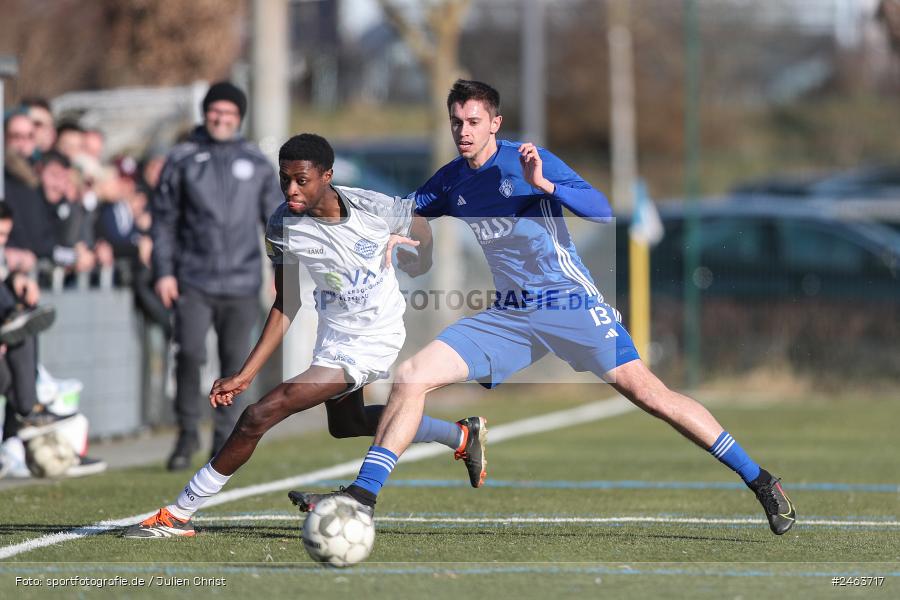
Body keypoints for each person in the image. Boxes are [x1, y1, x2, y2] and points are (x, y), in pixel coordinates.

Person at [290, 79, 797, 536]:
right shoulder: (452, 180)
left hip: (569, 303)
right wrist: (339, 204)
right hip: (511, 315)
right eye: (456, 123)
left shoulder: (528, 160)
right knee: (412, 375)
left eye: (473, 122)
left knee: (651, 395)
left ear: (495, 123)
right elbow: (404, 210)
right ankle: (363, 496)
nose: (463, 132)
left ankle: (761, 480)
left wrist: (546, 186)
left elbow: (600, 209)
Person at [123, 134, 486, 537]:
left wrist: (420, 260)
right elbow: (287, 303)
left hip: (375, 336)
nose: (291, 190)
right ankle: (460, 434)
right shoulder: (282, 224)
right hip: (334, 334)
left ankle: (178, 513)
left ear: (327, 176)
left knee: (258, 414)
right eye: (284, 179)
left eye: (301, 180)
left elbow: (418, 221)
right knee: (346, 424)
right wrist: (245, 373)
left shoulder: (373, 207)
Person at [151, 82, 284, 470]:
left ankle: (222, 439)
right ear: (205, 113)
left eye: (229, 114)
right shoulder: (182, 159)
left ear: (239, 118)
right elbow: (164, 222)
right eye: (215, 112)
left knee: (234, 365)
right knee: (189, 354)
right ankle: (186, 433)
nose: (221, 120)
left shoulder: (256, 163)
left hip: (242, 283)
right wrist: (163, 271)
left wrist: (283, 271)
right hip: (193, 279)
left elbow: (274, 223)